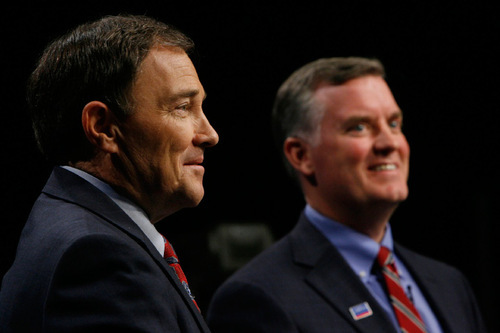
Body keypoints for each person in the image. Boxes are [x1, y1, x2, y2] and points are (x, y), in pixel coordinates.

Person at [206, 57, 486, 333]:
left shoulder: (449, 284)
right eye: (359, 127)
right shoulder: (259, 297)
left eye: (393, 124)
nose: (389, 143)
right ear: (301, 155)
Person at [0, 15, 218, 332]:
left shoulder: (78, 229)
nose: (210, 134)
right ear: (103, 127)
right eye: (182, 107)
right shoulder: (97, 257)